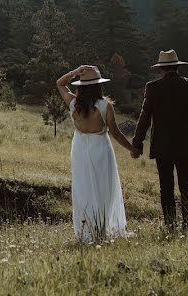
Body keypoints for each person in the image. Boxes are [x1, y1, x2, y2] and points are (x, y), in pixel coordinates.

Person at [131, 50, 188, 230]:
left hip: (162, 146)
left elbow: (144, 118)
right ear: (177, 67)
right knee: (187, 187)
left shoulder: (153, 88)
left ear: (161, 68)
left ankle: (170, 225)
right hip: (186, 146)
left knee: (166, 188)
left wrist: (137, 143)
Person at [57, 64, 137, 242]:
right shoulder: (104, 106)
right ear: (98, 86)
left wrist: (74, 72)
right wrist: (132, 149)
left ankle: (86, 232)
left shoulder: (73, 103)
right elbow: (115, 132)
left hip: (79, 148)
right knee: (104, 189)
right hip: (100, 148)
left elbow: (60, 83)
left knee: (83, 188)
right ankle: (104, 229)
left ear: (81, 86)